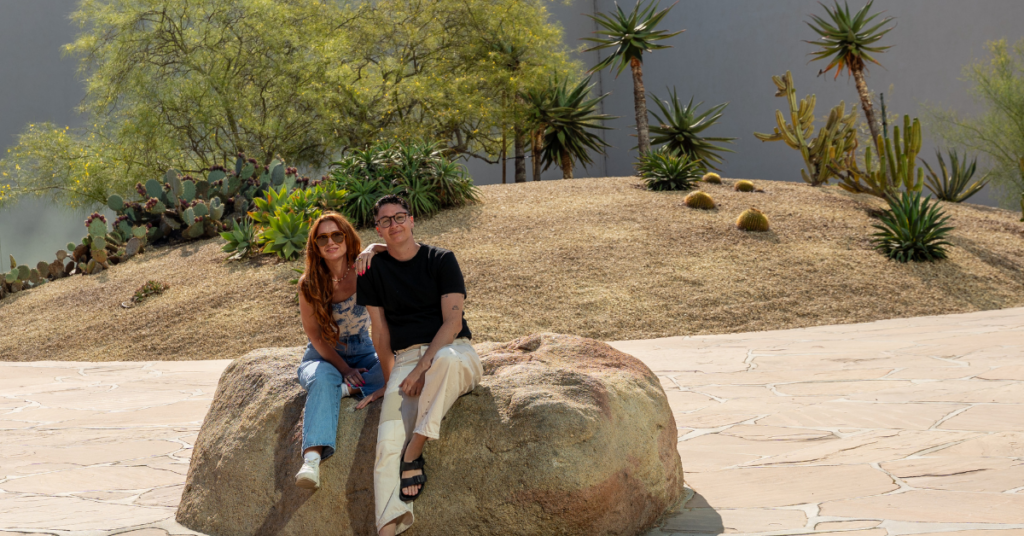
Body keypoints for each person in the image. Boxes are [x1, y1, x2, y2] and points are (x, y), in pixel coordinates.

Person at [355, 195, 481, 536]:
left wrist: (420, 369)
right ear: (378, 229)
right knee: (387, 444)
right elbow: (380, 332)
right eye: (385, 221)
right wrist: (390, 379)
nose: (394, 224)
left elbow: (453, 323)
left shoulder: (441, 259)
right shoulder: (370, 269)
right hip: (406, 358)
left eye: (399, 217)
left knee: (445, 362)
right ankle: (387, 529)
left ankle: (415, 449)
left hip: (454, 351)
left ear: (411, 220)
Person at [293, 212, 386, 490]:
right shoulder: (309, 283)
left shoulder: (365, 269)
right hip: (323, 354)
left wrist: (373, 247)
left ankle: (347, 390)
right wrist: (344, 369)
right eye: (322, 238)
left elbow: (404, 251)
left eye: (337, 235)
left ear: (347, 237)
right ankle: (311, 461)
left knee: (400, 366)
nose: (330, 242)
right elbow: (315, 336)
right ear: (315, 246)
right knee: (323, 379)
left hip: (364, 349)